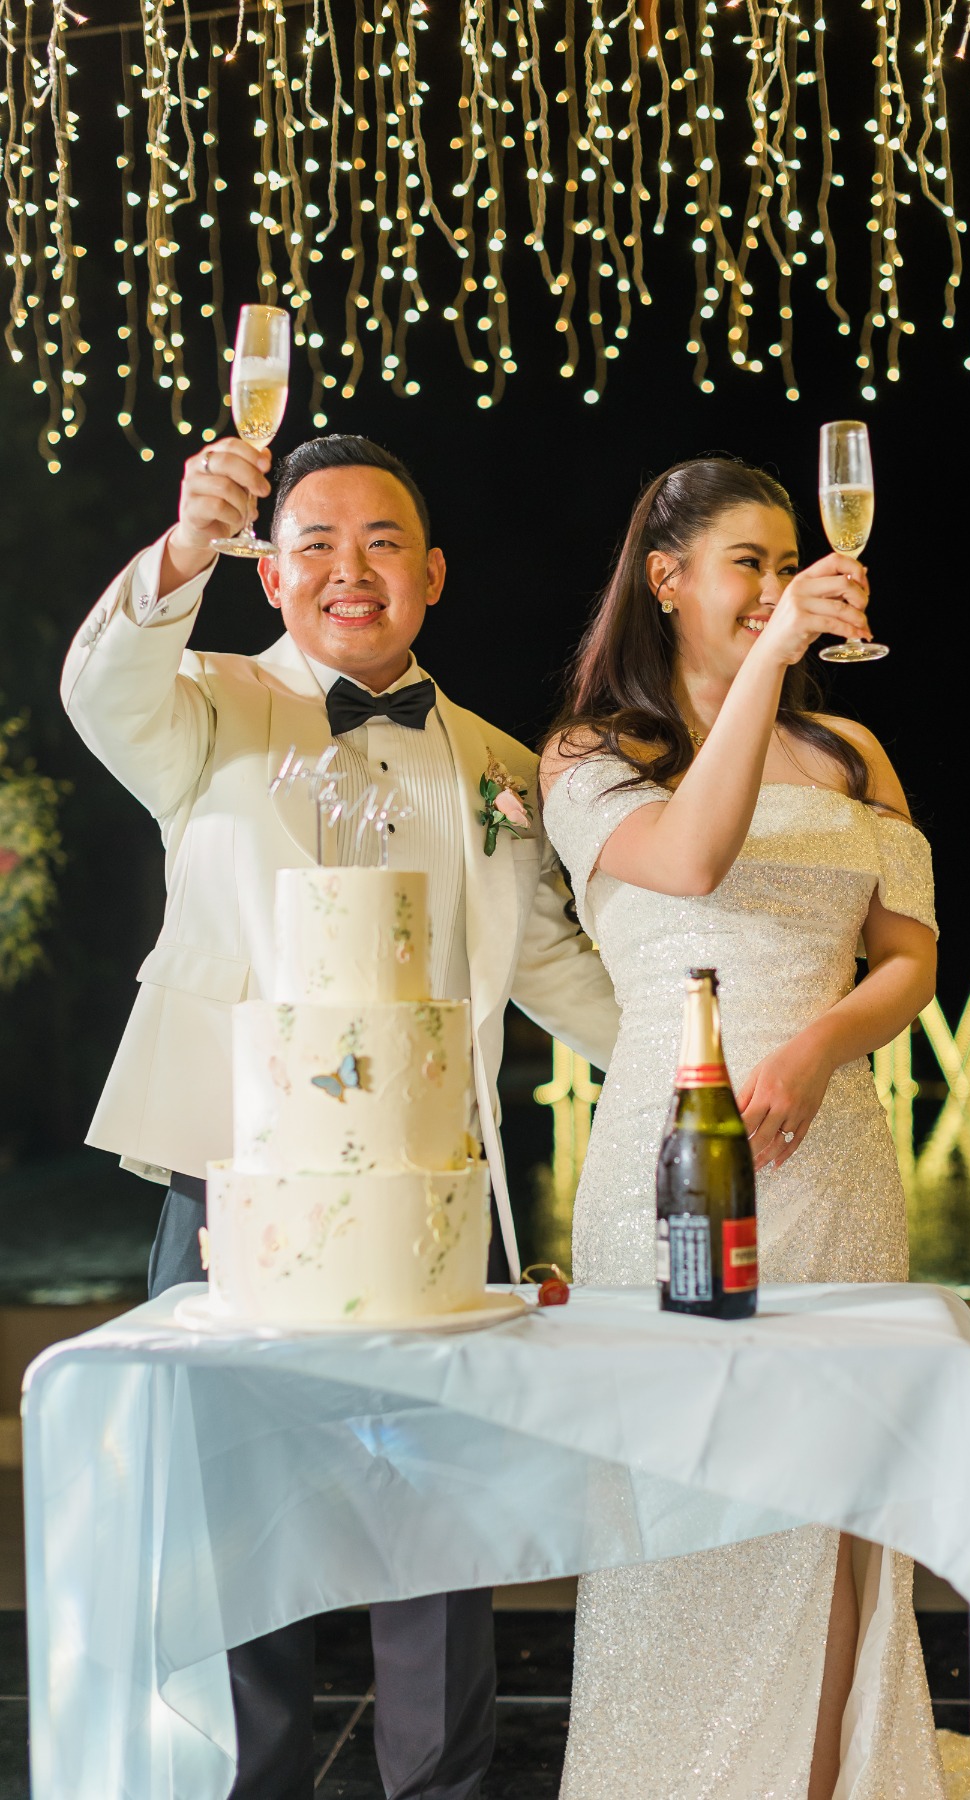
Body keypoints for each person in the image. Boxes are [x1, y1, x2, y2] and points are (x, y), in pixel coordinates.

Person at [60, 433, 619, 1800]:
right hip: (231, 1182)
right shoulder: (204, 704)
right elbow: (99, 682)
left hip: (430, 1200)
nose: (348, 570)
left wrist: (730, 1051)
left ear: (431, 575)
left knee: (434, 1539)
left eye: (381, 544)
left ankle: (440, 1786)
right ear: (268, 572)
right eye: (313, 543)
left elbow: (555, 971)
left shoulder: (497, 765)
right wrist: (182, 549)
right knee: (237, 1531)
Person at [539, 458, 944, 1799]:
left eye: (790, 564)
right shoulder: (590, 756)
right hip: (671, 1154)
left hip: (831, 1158)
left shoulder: (851, 755)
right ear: (669, 579)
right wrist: (778, 651)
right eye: (750, 564)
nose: (780, 586)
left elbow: (908, 957)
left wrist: (825, 1044)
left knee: (827, 1501)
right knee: (682, 1501)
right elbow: (697, 859)